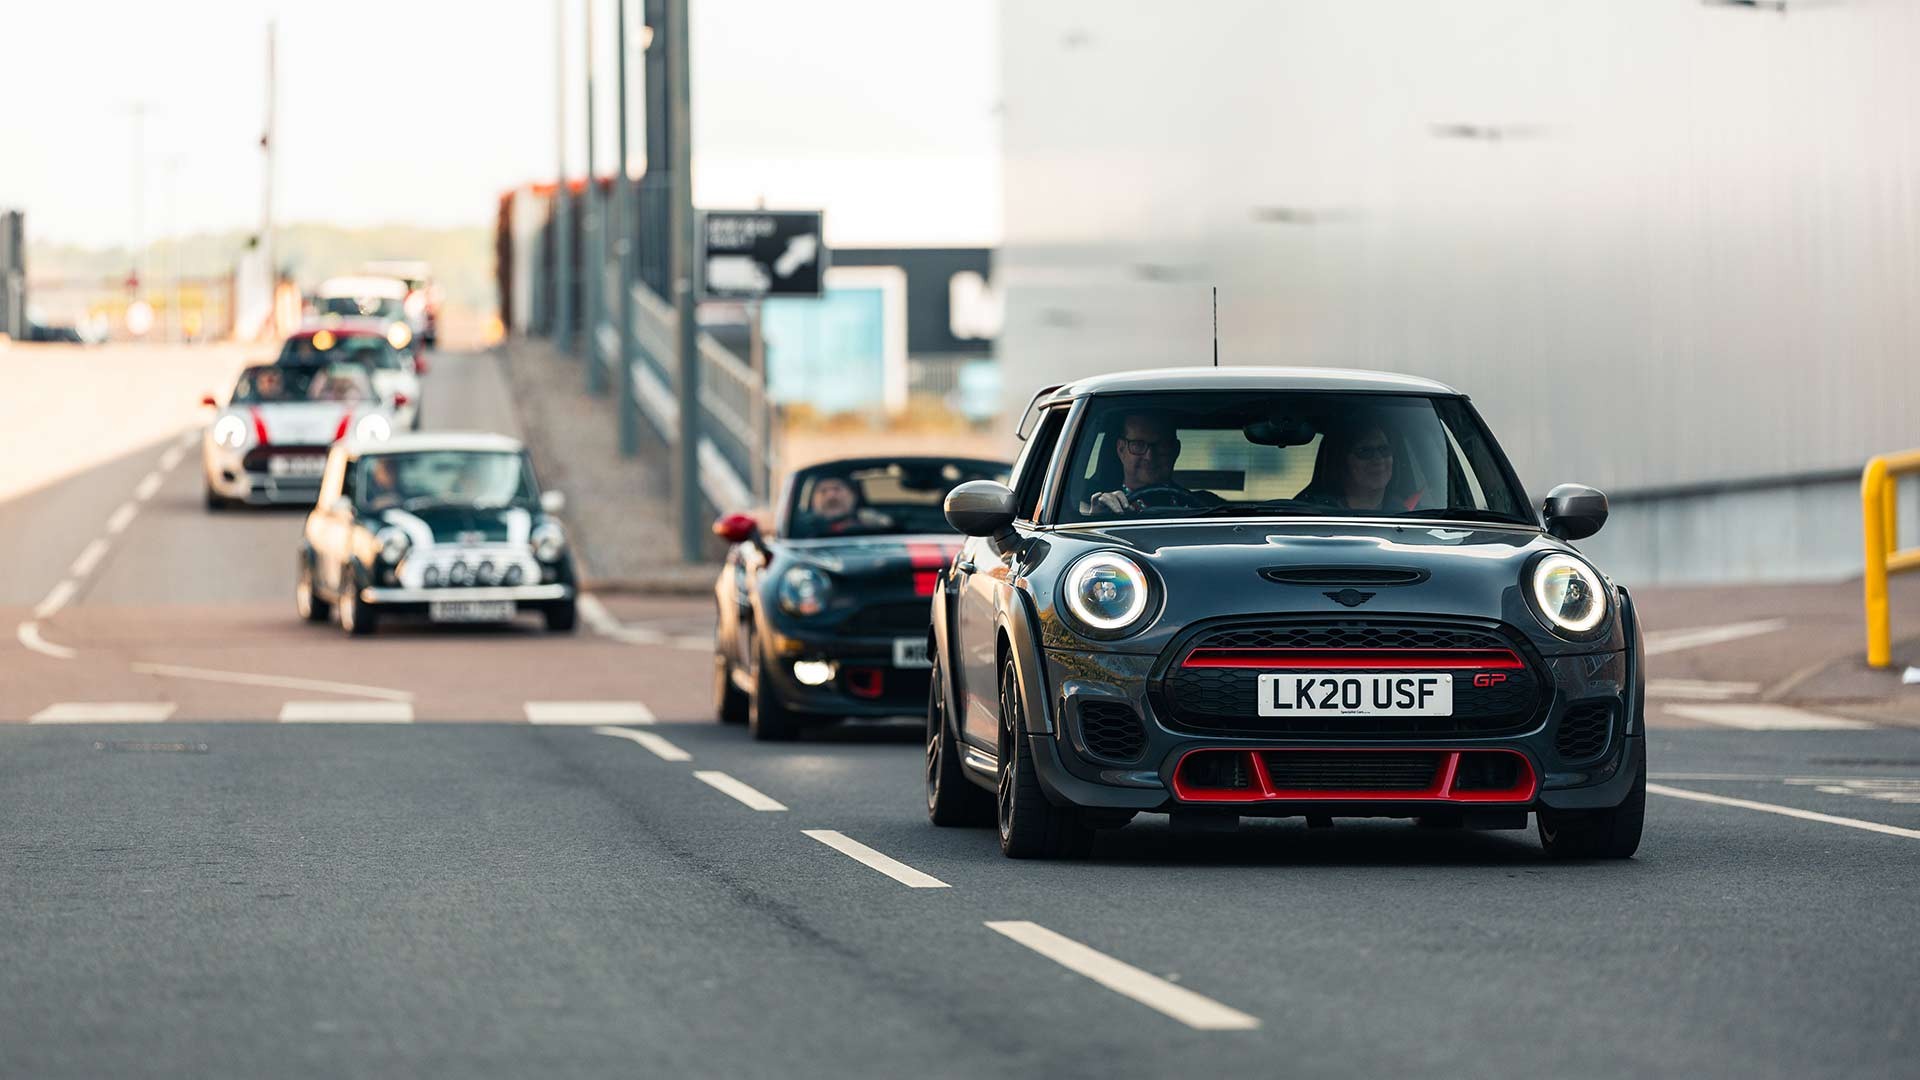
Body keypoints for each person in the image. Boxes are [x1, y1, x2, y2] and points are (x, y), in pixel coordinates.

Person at [1079, 411, 1221, 516]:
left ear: (1175, 450)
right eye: (1138, 445)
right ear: (1121, 449)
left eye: (1161, 445)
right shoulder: (1095, 503)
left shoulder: (1207, 506)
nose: (1149, 456)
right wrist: (1097, 518)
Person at [1297, 417, 1416, 511]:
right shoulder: (1311, 515)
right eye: (1365, 452)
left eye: (1384, 450)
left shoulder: (1407, 512)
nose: (1378, 459)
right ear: (1341, 463)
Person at [801, 475, 892, 535]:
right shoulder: (801, 530)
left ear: (853, 496)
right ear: (813, 501)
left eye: (837, 489)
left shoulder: (873, 522)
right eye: (823, 491)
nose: (831, 495)